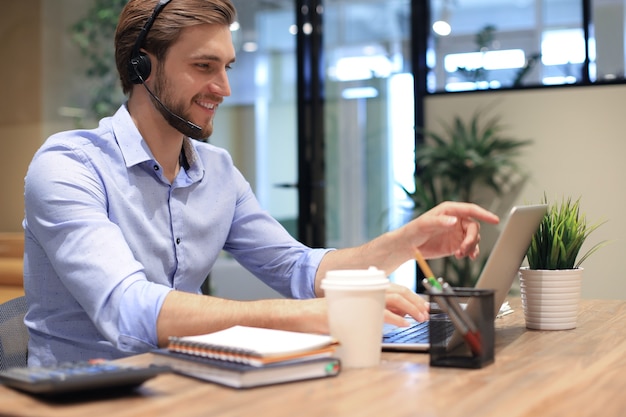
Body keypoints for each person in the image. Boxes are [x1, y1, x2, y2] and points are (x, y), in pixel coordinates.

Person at [22, 0, 499, 367]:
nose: (224, 89)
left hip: (184, 388)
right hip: (79, 398)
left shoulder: (218, 172)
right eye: (204, 66)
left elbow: (295, 267)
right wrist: (299, 317)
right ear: (142, 67)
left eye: (227, 67)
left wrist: (402, 244)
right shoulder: (69, 167)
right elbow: (127, 311)